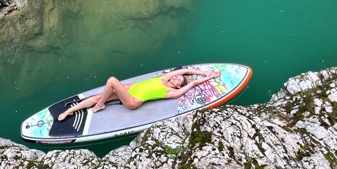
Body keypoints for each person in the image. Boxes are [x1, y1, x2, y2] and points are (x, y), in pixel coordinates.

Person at [57, 68, 221, 121]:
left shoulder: (171, 92)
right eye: (177, 76)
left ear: (179, 85)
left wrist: (208, 78)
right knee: (95, 98)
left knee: (112, 80)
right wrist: (202, 72)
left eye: (180, 80)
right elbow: (185, 71)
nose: (178, 77)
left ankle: (100, 105)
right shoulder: (165, 77)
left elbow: (191, 83)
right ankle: (69, 111)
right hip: (129, 89)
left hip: (133, 101)